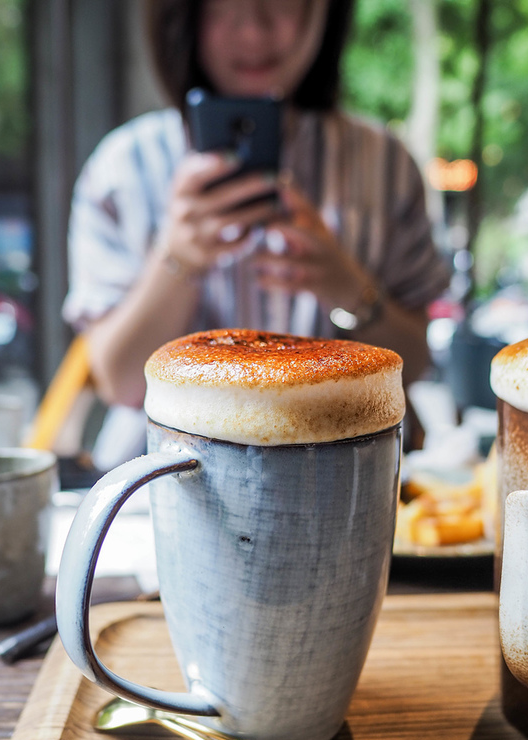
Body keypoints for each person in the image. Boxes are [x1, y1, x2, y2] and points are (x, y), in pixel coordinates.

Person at [63, 0, 449, 438]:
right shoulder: (123, 169)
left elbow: (413, 365)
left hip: (342, 473)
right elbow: (120, 383)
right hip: (165, 476)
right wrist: (176, 260)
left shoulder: (385, 165)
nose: (252, 30)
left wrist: (347, 288)